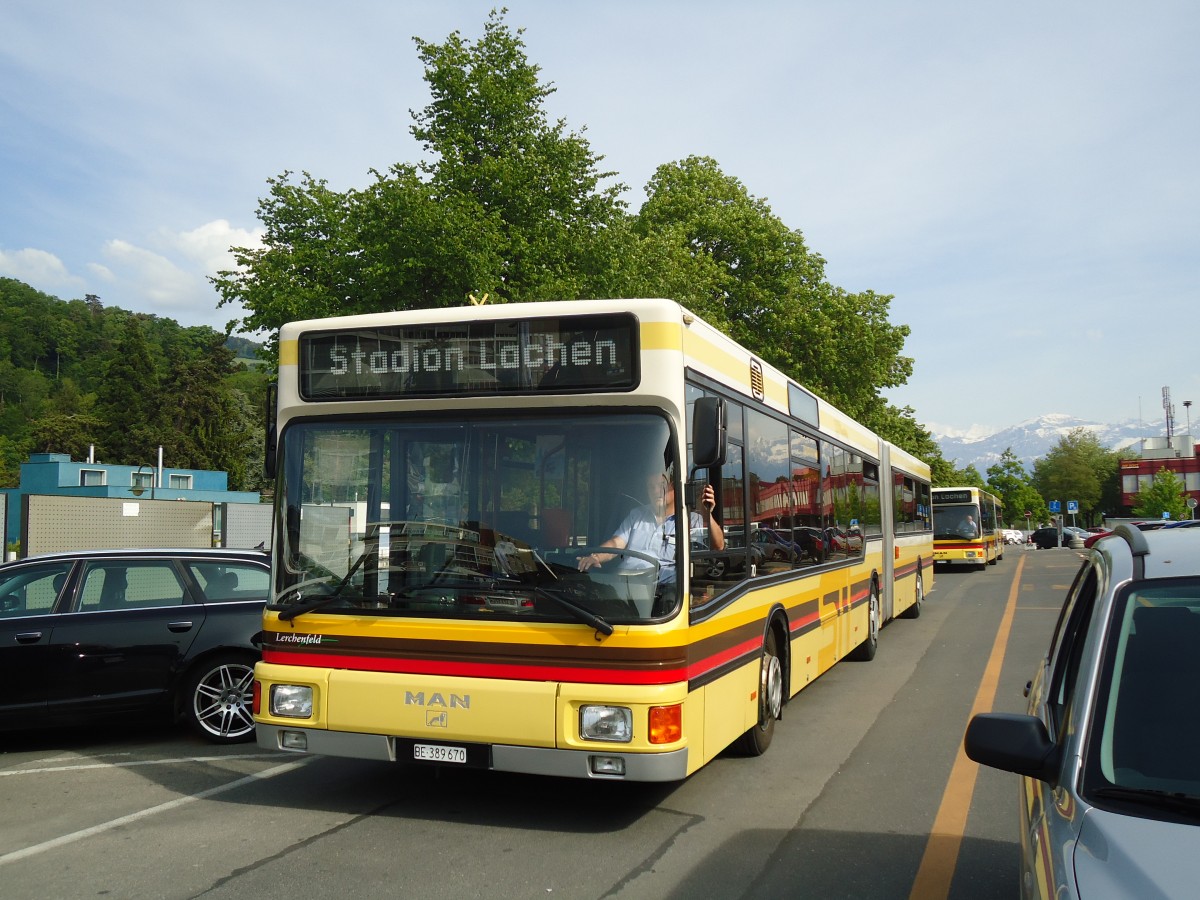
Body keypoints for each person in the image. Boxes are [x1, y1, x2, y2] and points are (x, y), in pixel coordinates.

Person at [578, 471, 724, 582]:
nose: (655, 492)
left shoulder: (690, 520)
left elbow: (718, 546)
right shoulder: (636, 515)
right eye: (651, 487)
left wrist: (707, 514)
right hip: (625, 583)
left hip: (664, 592)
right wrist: (596, 557)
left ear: (675, 488)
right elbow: (616, 544)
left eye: (661, 486)